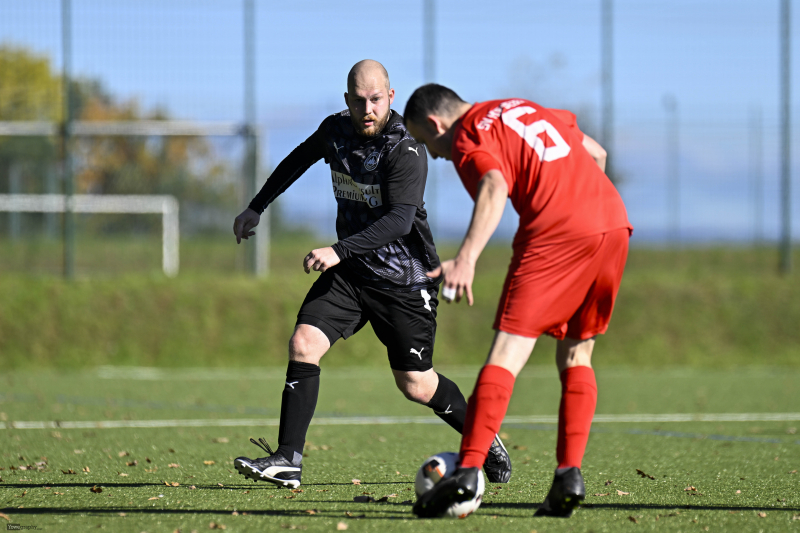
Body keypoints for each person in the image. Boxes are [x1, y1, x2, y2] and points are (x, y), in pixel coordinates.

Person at [231, 61, 511, 489]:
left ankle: (484, 437)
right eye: (359, 100)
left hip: (405, 280)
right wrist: (257, 206)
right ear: (347, 100)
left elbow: (400, 221)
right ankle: (288, 459)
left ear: (391, 97)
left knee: (416, 385)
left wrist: (337, 249)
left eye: (376, 99)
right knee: (303, 343)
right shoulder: (335, 130)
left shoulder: (408, 147)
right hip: (352, 273)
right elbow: (298, 160)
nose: (368, 108)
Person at [403, 84, 632, 518]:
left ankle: (468, 471)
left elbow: (493, 184)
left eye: (425, 142)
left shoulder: (469, 134)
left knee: (507, 352)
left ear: (437, 124)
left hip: (558, 231)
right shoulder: (522, 107)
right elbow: (597, 154)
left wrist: (466, 257)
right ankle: (568, 474)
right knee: (578, 354)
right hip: (613, 222)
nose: (433, 154)